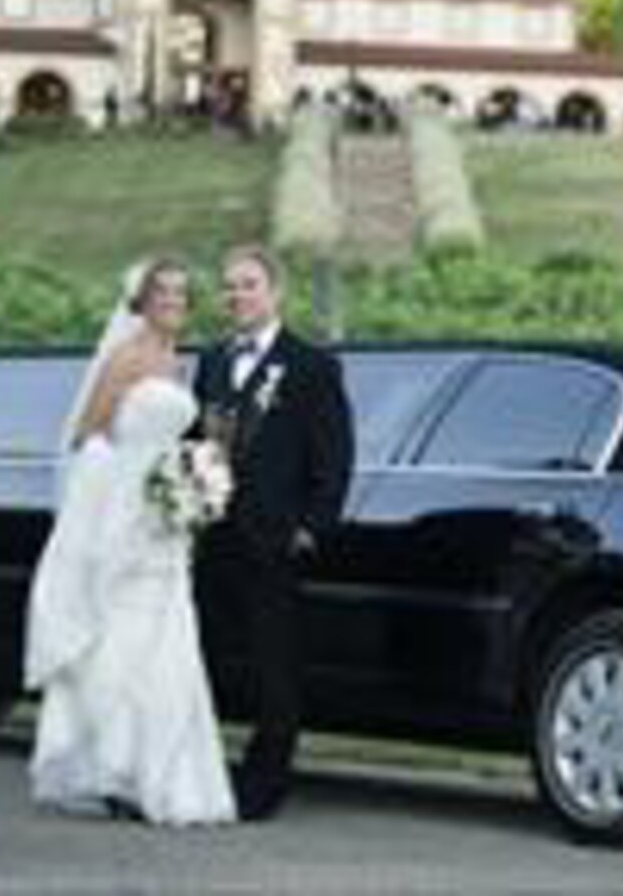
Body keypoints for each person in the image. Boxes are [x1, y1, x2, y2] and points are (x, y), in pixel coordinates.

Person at [24, 259, 235, 826]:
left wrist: (191, 482)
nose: (174, 301)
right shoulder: (128, 356)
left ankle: (159, 774)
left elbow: (176, 439)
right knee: (120, 643)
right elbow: (89, 435)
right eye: (163, 292)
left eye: (182, 293)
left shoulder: (176, 361)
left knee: (169, 643)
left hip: (167, 527)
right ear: (142, 300)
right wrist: (126, 496)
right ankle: (110, 769)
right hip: (126, 519)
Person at [193, 245, 353, 822]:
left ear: (275, 292)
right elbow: (198, 440)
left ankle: (265, 784)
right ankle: (199, 771)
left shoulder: (311, 365)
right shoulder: (211, 361)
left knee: (273, 665)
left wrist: (311, 527)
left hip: (275, 539)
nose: (237, 295)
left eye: (249, 284)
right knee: (204, 656)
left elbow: (334, 455)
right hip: (215, 539)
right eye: (230, 286)